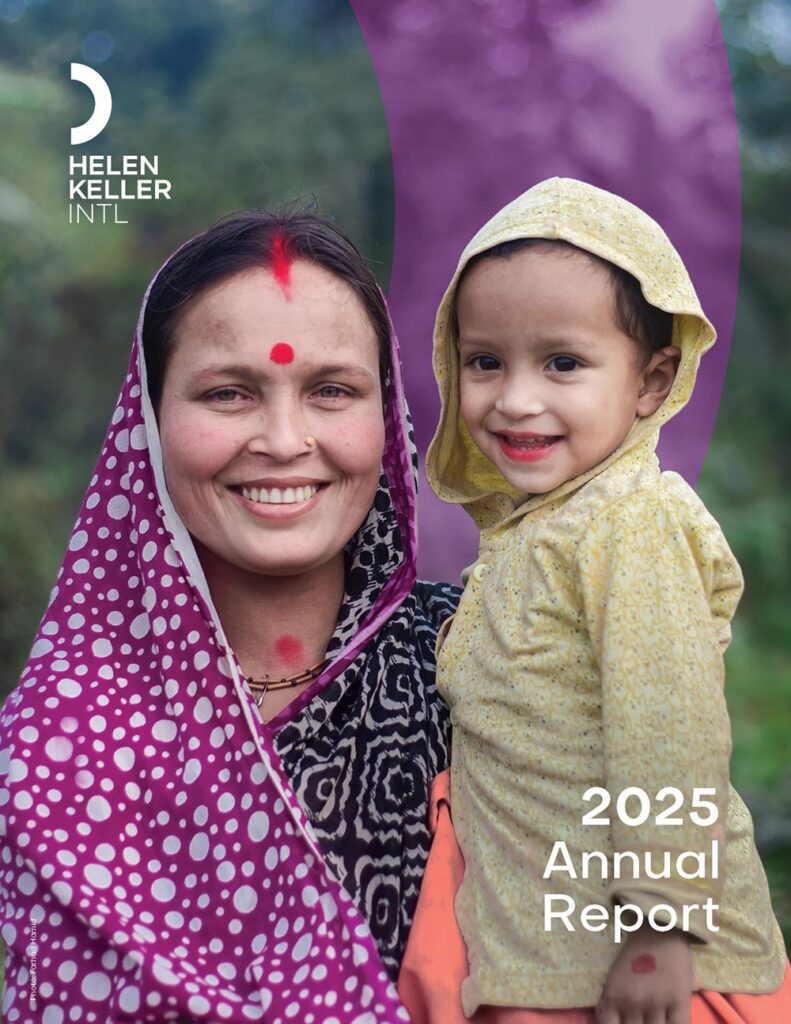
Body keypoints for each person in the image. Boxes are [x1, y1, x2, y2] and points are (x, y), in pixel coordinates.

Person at [0, 210, 459, 1022]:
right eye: (227, 393)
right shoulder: (51, 743)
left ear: (385, 416)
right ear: (148, 421)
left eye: (330, 391)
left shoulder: (494, 665)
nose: (284, 440)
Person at [399, 177, 790, 1024]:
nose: (514, 399)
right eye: (484, 361)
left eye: (563, 363)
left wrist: (662, 924)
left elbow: (668, 729)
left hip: (644, 973)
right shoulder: (534, 537)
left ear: (650, 383)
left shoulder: (630, 524)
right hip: (546, 959)